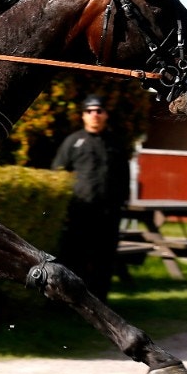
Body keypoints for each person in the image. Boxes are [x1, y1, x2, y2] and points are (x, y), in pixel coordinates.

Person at [50, 93, 130, 301]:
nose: (95, 115)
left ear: (106, 115)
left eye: (99, 111)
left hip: (108, 214)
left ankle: (100, 303)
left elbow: (124, 176)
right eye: (89, 111)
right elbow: (58, 174)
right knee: (75, 258)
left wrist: (122, 203)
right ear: (83, 115)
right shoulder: (73, 142)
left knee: (104, 259)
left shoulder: (116, 144)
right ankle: (71, 303)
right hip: (79, 213)